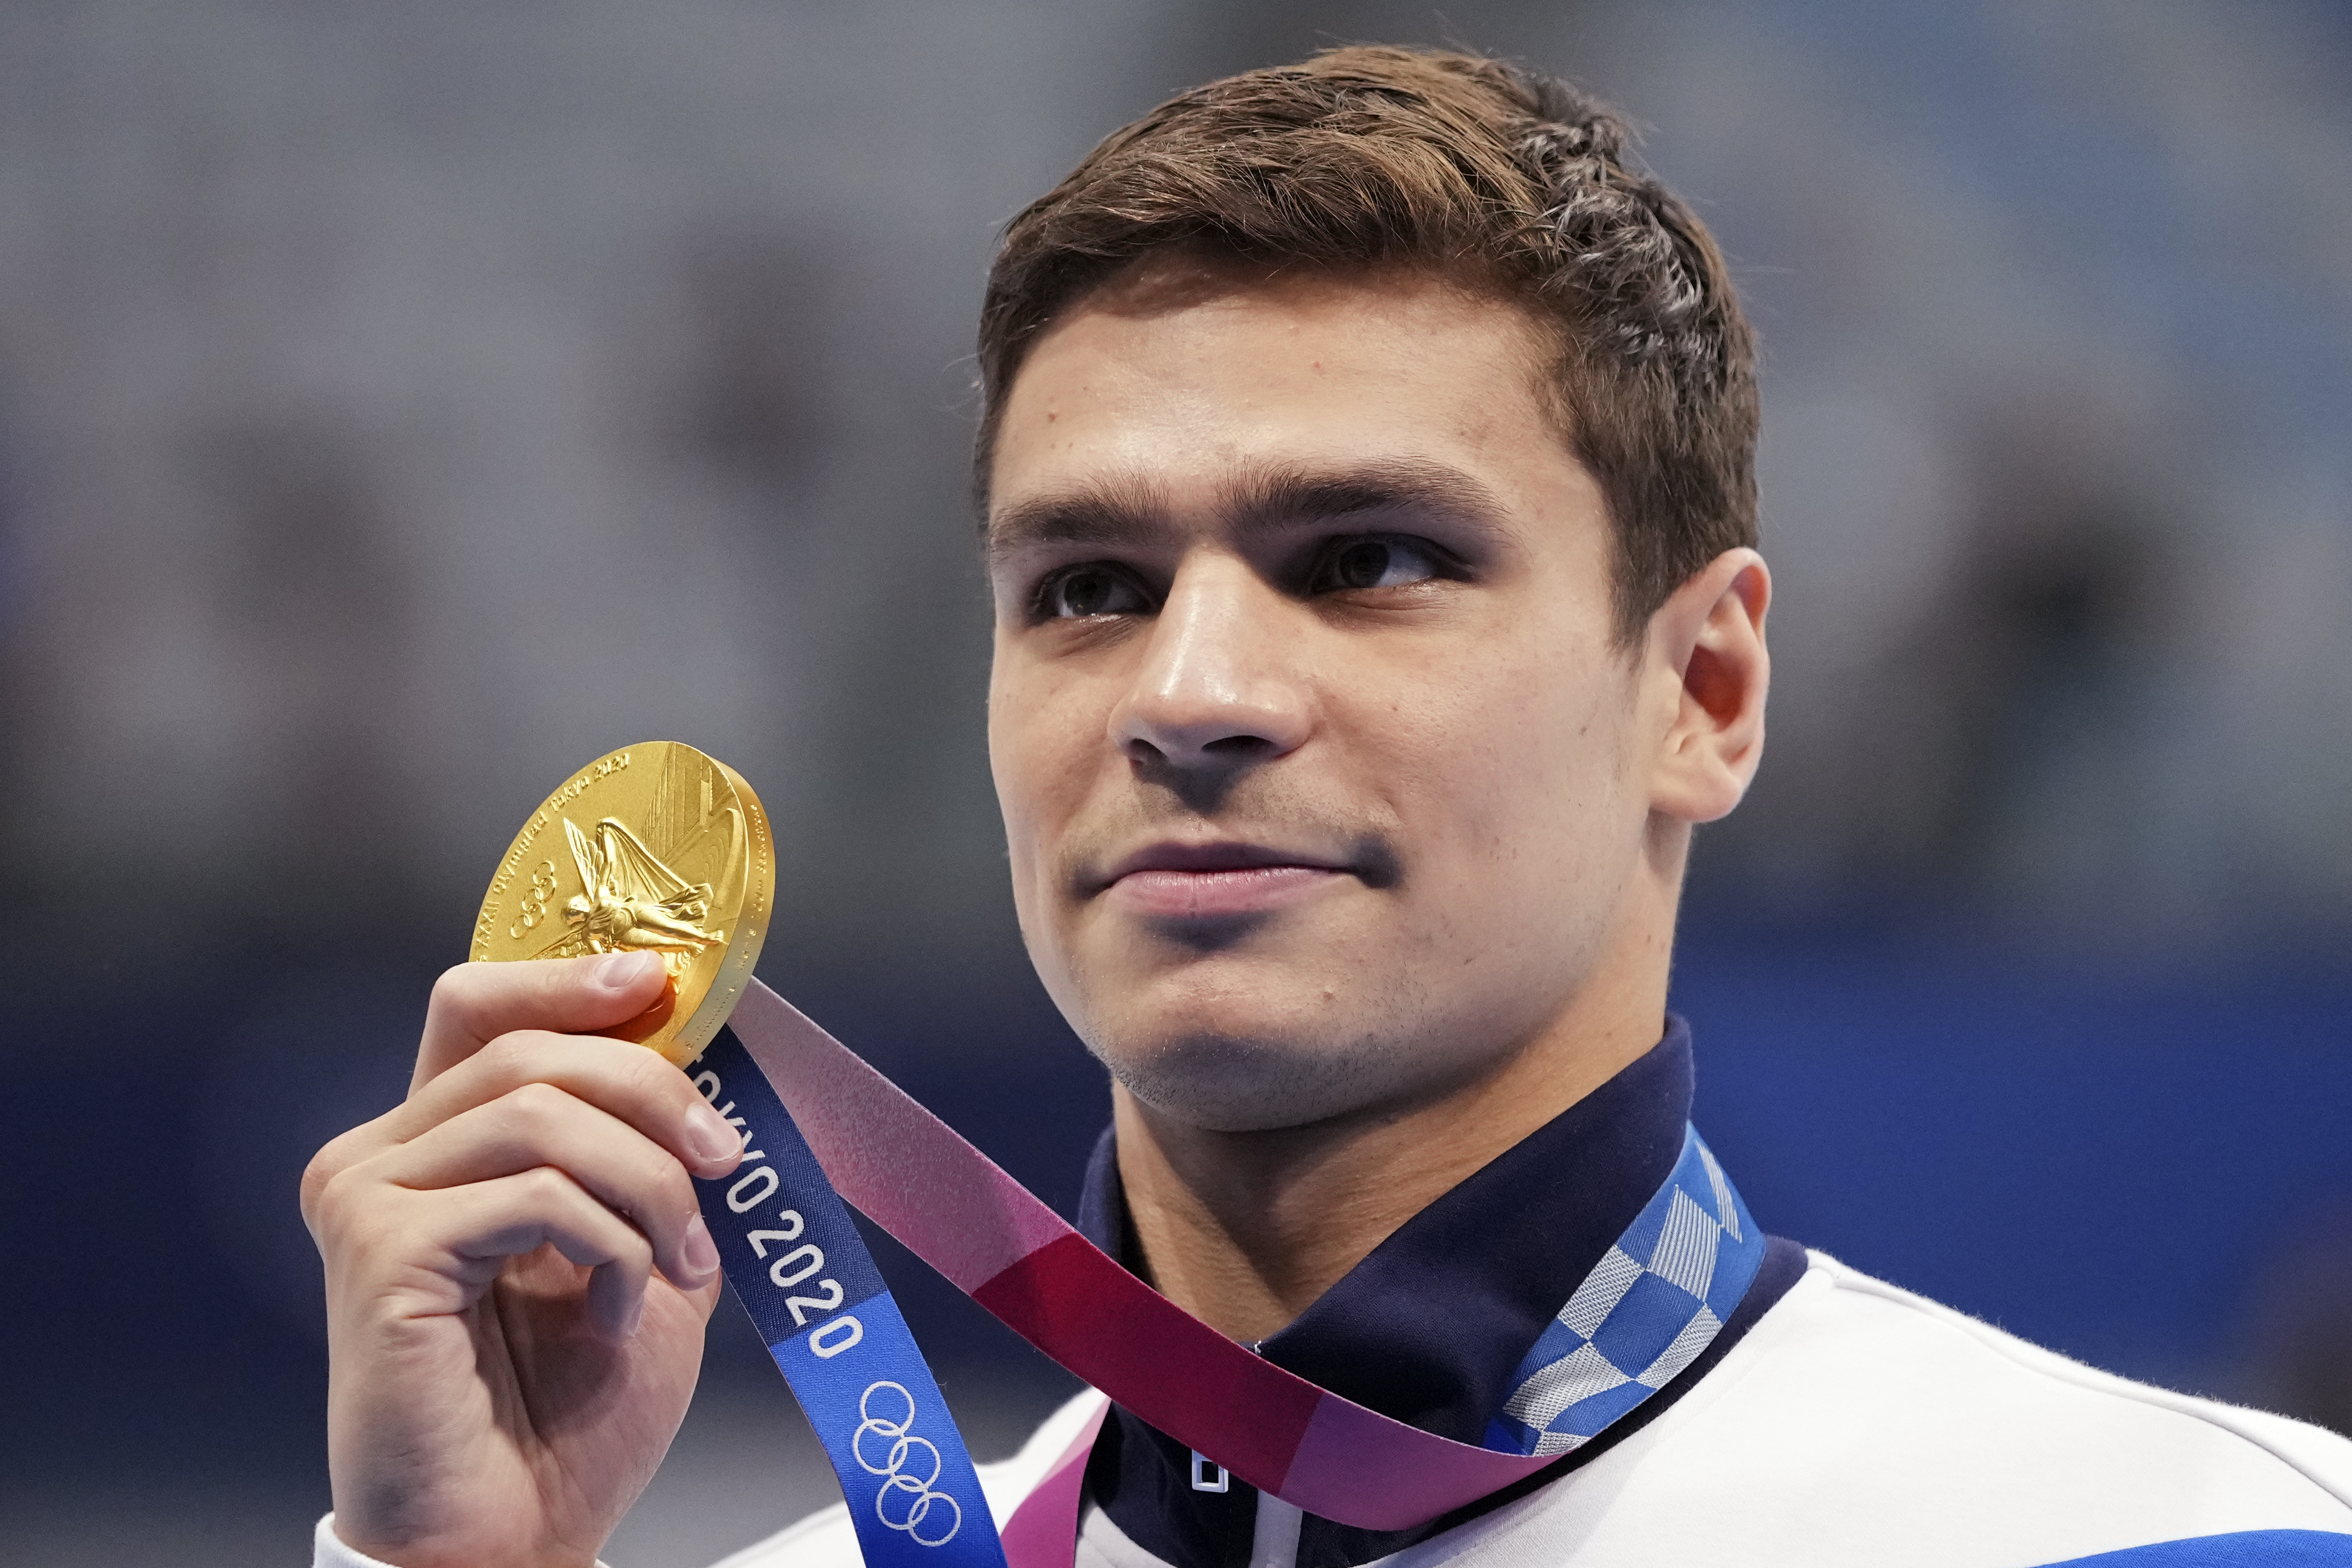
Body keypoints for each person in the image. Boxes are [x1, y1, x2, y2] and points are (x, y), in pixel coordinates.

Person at [301, 45, 2352, 1568]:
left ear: (1703, 690)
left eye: (1367, 557)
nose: (1188, 696)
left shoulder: (2193, 1540)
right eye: (1087, 587)